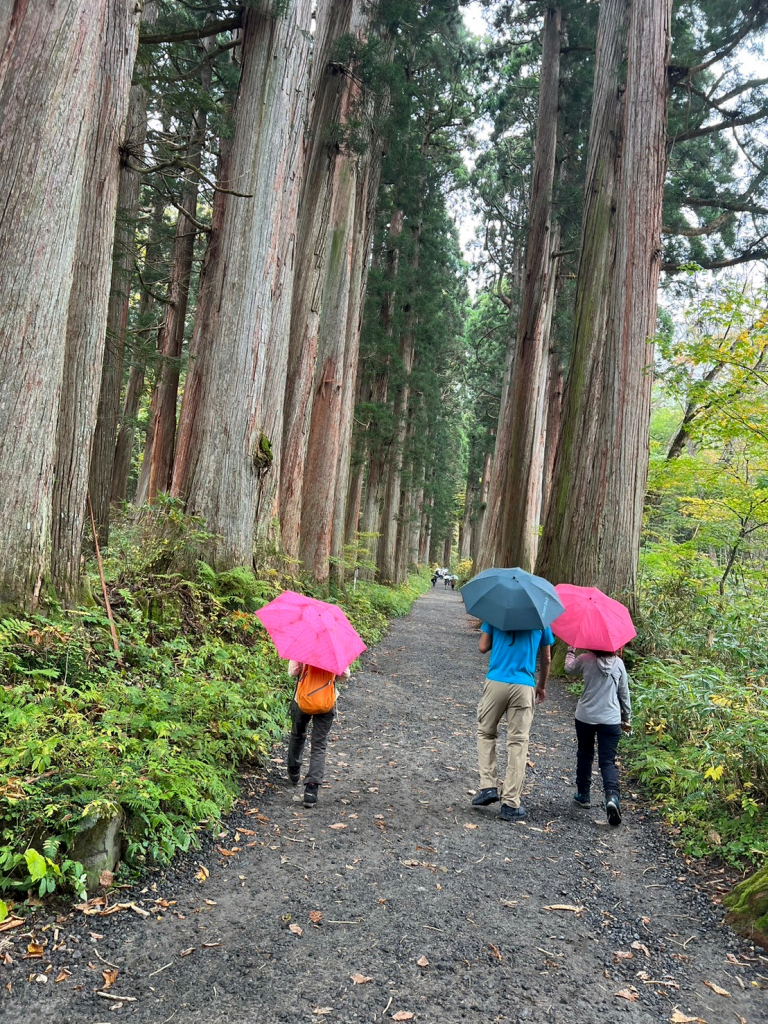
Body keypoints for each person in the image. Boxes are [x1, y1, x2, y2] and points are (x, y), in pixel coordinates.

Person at [472, 622, 553, 821]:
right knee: (518, 742)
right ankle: (510, 803)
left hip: (496, 682)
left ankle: (488, 786)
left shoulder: (496, 615)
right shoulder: (541, 621)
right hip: (524, 686)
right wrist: (541, 685)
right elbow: (547, 659)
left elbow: (482, 647)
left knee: (486, 732)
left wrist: (501, 639)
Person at [564, 646, 631, 826]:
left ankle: (583, 794)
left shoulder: (586, 659)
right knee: (607, 761)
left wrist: (570, 651)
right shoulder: (618, 664)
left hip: (585, 716)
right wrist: (627, 717)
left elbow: (568, 669)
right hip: (610, 719)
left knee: (585, 754)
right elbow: (624, 693)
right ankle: (612, 797)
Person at [286, 660, 350, 808]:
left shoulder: (303, 644)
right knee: (319, 744)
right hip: (326, 701)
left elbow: (292, 672)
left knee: (298, 734)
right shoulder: (334, 649)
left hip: (302, 699)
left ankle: (294, 771)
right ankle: (311, 789)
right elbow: (345, 674)